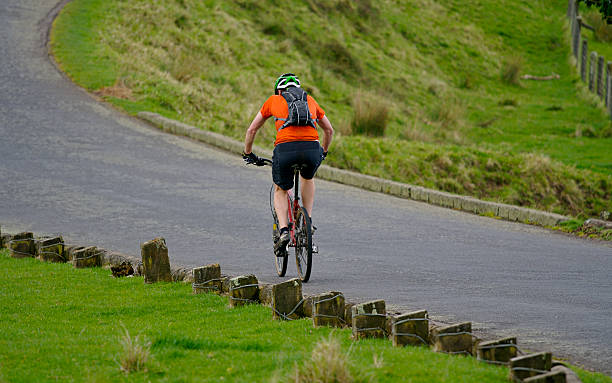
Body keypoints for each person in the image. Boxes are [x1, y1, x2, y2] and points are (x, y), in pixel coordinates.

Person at [242, 73, 334, 253]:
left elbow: (252, 130)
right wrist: (323, 152)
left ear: (278, 90)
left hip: (285, 150)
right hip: (311, 149)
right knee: (308, 177)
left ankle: (284, 231)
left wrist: (248, 153)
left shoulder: (273, 100)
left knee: (280, 189)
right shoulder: (310, 100)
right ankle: (308, 222)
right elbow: (329, 130)